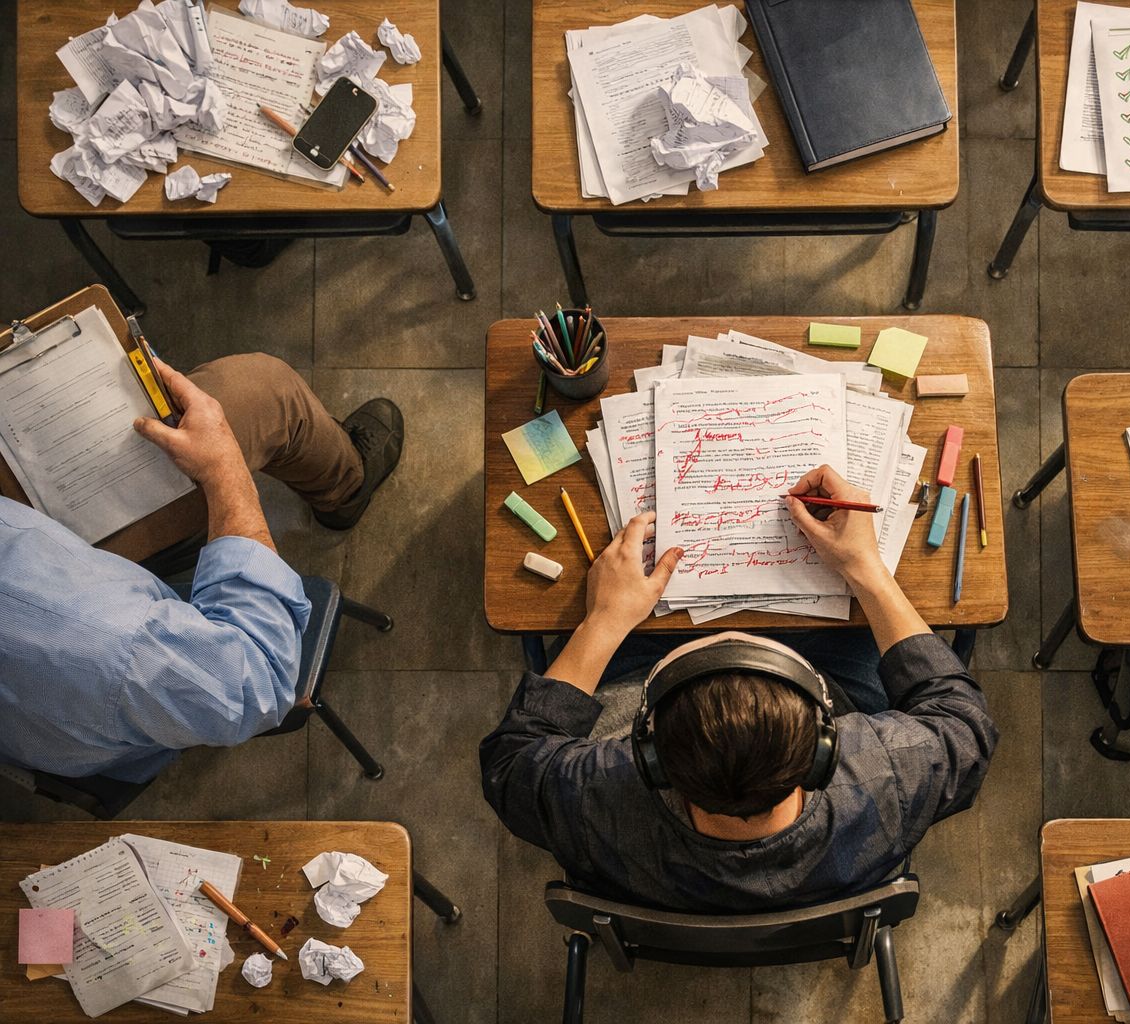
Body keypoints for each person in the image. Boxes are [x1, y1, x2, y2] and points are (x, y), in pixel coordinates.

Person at [480, 465, 998, 913]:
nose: (740, 632)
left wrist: (606, 619)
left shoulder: (595, 802)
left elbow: (513, 757)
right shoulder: (888, 774)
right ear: (824, 746)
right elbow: (962, 720)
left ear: (648, 751)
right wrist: (866, 570)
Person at [0, 353, 403, 783]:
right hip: (99, 681)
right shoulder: (104, 640)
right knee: (265, 390)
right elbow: (257, 679)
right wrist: (221, 469)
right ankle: (345, 490)